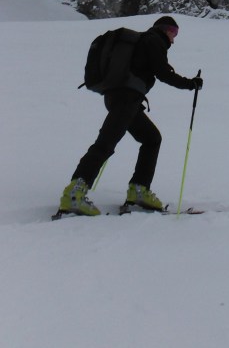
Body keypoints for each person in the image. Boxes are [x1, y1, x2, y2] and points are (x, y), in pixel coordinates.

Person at [58, 16, 203, 216]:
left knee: (151, 138)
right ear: (166, 29)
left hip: (120, 98)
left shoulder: (144, 41)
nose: (174, 39)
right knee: (106, 143)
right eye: (174, 33)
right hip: (126, 99)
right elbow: (163, 72)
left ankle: (139, 190)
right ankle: (74, 194)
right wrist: (191, 84)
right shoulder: (154, 40)